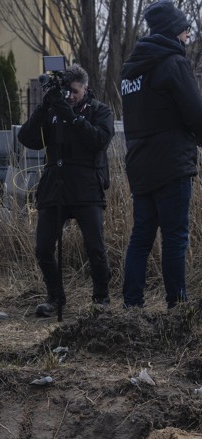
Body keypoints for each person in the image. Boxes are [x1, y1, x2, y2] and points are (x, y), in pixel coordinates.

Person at [121, 0, 202, 309]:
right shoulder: (173, 63)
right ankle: (177, 307)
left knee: (141, 237)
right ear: (173, 31)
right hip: (171, 163)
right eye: (185, 32)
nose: (187, 39)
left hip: (140, 166)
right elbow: (195, 114)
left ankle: (131, 306)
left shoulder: (131, 71)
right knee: (176, 237)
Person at [17, 63, 114, 318]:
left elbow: (98, 140)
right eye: (66, 91)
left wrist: (70, 116)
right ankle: (55, 297)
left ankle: (101, 298)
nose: (69, 96)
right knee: (43, 247)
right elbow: (28, 138)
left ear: (85, 87)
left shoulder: (99, 111)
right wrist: (44, 107)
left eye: (74, 91)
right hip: (54, 186)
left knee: (95, 246)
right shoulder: (53, 110)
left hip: (86, 187)